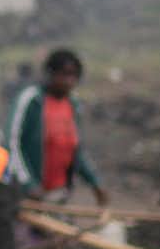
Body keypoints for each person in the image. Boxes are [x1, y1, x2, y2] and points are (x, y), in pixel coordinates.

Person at [7, 50, 109, 209]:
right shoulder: (31, 100)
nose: (69, 81)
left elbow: (75, 150)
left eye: (74, 76)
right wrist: (28, 184)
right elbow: (11, 143)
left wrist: (94, 182)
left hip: (58, 194)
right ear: (50, 73)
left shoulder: (73, 105)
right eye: (64, 75)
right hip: (28, 195)